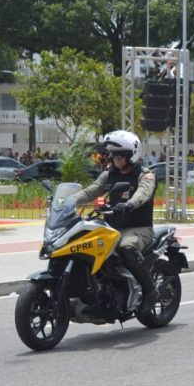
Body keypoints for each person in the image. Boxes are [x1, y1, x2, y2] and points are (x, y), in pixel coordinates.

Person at [77, 130, 159, 311]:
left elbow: (143, 193)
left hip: (138, 228)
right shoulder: (109, 174)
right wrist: (66, 201)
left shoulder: (145, 175)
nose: (116, 158)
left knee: (126, 248)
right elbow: (91, 191)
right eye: (113, 154)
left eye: (120, 154)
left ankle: (150, 291)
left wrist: (129, 204)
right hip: (111, 226)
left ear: (132, 154)